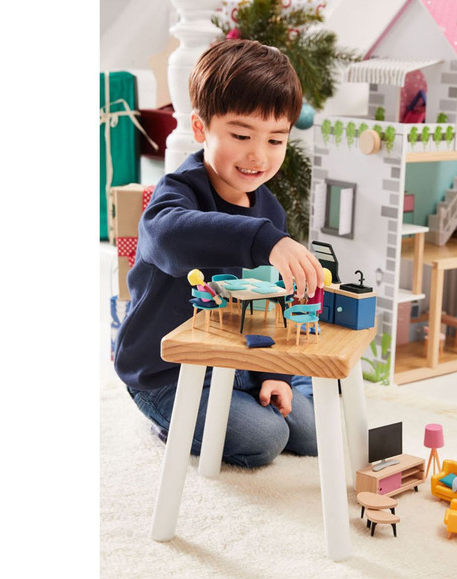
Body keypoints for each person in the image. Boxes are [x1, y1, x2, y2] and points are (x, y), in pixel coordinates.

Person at [114, 39, 325, 468]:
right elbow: (169, 235)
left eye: (275, 140)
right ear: (200, 128)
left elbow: (274, 303)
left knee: (313, 430)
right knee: (265, 438)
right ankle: (169, 423)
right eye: (241, 135)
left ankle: (269, 384)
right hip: (169, 371)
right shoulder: (176, 194)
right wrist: (264, 241)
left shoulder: (269, 210)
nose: (258, 155)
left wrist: (275, 375)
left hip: (240, 358)